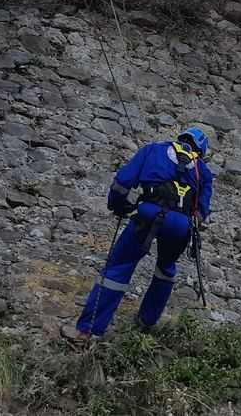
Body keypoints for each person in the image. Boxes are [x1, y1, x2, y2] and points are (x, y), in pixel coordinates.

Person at [62, 127, 214, 340]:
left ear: (181, 138)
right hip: (180, 225)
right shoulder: (203, 172)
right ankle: (146, 322)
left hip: (148, 215)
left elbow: (123, 182)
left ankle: (88, 330)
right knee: (165, 269)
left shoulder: (153, 150)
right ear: (202, 151)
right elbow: (202, 212)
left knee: (118, 267)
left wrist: (118, 205)